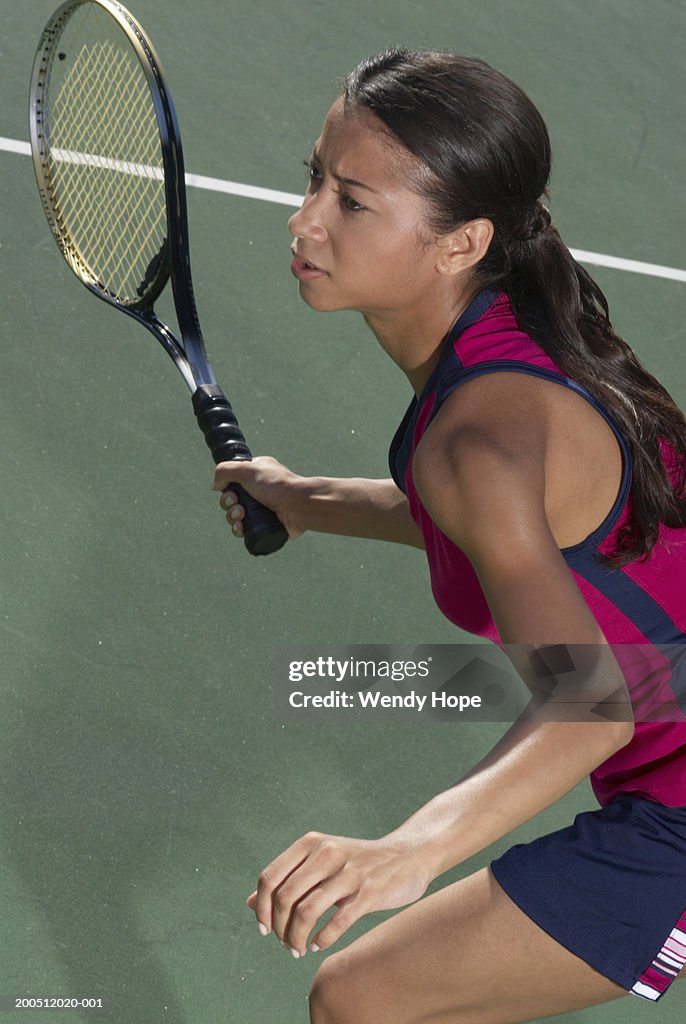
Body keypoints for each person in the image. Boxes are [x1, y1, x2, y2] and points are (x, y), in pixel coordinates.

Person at [213, 49, 686, 1024]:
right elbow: (518, 530)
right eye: (314, 178)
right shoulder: (516, 329)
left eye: (351, 201)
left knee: (364, 996)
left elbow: (588, 705)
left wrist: (408, 849)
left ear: (461, 240)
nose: (302, 219)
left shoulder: (477, 437)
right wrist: (306, 499)